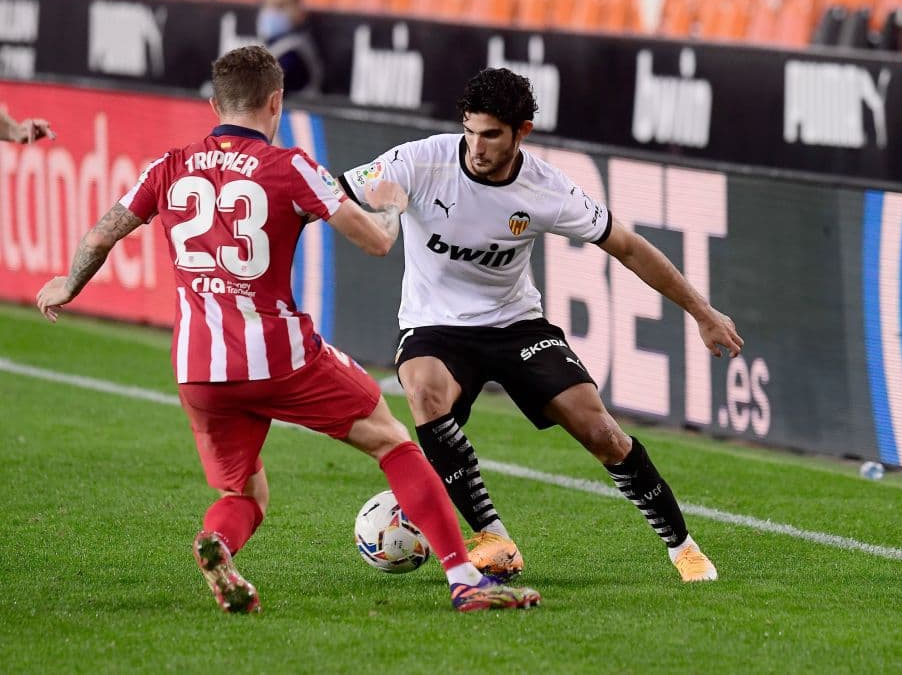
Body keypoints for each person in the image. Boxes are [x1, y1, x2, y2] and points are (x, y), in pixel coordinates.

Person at [35, 47, 539, 614]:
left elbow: (103, 234)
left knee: (243, 492)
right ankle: (464, 579)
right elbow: (375, 241)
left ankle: (220, 545)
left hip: (199, 368)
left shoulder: (168, 166)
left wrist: (67, 285)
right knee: (394, 441)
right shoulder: (289, 166)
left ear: (213, 105)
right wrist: (394, 207)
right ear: (276, 101)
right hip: (280, 355)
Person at [340, 67, 744, 583]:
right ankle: (492, 536)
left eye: (491, 135)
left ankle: (683, 547)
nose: (476, 147)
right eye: (470, 131)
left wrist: (702, 313)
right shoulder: (420, 160)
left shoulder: (546, 188)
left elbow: (629, 247)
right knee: (423, 392)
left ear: (521, 133)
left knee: (601, 431)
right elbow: (335, 193)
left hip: (516, 325)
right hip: (434, 326)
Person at [256, 0, 322, 96]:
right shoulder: (266, 46)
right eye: (268, 3)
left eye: (282, 5)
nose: (273, 10)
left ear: (298, 11)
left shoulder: (293, 52)